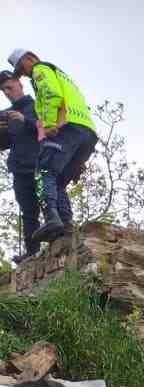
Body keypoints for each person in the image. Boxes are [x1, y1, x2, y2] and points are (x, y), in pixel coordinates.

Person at [6, 51, 97, 243]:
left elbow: (50, 93)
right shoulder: (62, 74)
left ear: (28, 59)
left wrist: (48, 125)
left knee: (43, 171)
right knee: (59, 180)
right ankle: (66, 224)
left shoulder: (41, 69)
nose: (24, 74)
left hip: (68, 127)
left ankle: (51, 218)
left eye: (22, 69)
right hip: (87, 132)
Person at [0, 70, 39, 258]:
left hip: (41, 164)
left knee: (51, 205)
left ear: (19, 84)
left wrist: (26, 121)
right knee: (28, 211)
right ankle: (32, 253)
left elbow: (50, 128)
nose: (7, 92)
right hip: (18, 167)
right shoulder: (5, 114)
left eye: (9, 87)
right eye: (3, 90)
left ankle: (62, 243)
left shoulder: (36, 105)